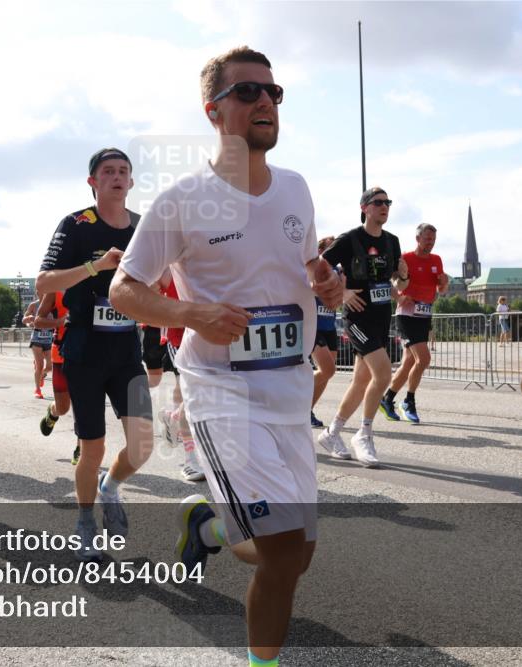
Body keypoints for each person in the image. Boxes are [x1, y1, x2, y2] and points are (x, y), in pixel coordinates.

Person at [109, 46, 343, 667]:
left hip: (290, 395)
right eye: (248, 92)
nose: (265, 100)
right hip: (221, 392)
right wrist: (190, 314)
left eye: (273, 92)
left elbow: (305, 265)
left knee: (296, 556)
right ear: (214, 112)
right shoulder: (183, 199)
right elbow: (123, 289)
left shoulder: (295, 189)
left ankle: (210, 527)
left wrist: (327, 280)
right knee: (284, 550)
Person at [36, 146, 154, 563]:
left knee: (143, 445)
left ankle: (110, 487)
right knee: (93, 448)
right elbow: (43, 282)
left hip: (127, 353)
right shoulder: (76, 225)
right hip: (84, 352)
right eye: (108, 171)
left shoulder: (143, 227)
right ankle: (85, 522)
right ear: (93, 181)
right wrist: (96, 267)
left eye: (124, 171)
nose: (117, 177)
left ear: (132, 181)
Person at [318, 186, 409, 467]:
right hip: (357, 319)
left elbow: (397, 288)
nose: (384, 206)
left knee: (361, 381)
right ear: (364, 208)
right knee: (383, 375)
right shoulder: (350, 239)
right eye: (378, 202)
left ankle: (331, 433)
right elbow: (319, 267)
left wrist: (403, 279)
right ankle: (364, 433)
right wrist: (341, 293)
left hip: (382, 318)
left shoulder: (392, 242)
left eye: (387, 202)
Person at [379, 223, 448, 424]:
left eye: (433, 240)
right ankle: (409, 401)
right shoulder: (406, 258)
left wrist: (444, 283)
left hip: (424, 314)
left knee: (409, 361)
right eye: (427, 239)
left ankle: (387, 399)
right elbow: (392, 283)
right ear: (418, 239)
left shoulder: (437, 260)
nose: (431, 243)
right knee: (424, 359)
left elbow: (441, 290)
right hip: (407, 314)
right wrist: (399, 297)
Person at [154, 274, 206, 483]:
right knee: (194, 390)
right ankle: (190, 460)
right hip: (181, 339)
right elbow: (148, 293)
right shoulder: (168, 264)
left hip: (212, 335)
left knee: (195, 392)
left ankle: (173, 417)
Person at [35, 291, 79, 462]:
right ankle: (52, 412)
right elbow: (38, 320)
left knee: (84, 403)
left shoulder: (95, 282)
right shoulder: (56, 288)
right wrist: (59, 322)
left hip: (89, 354)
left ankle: (81, 447)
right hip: (61, 353)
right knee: (63, 407)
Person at [310, 236, 340, 429]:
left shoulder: (338, 271)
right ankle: (296, 400)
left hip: (330, 327)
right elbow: (313, 290)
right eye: (330, 249)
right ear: (321, 251)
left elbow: (340, 298)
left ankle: (306, 411)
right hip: (313, 326)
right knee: (327, 369)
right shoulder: (312, 269)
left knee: (327, 374)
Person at [24, 292, 54, 399]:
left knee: (50, 366)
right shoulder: (33, 305)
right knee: (40, 365)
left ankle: (41, 374)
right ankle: (37, 390)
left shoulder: (53, 304)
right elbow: (24, 319)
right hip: (36, 337)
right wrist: (29, 321)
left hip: (49, 338)